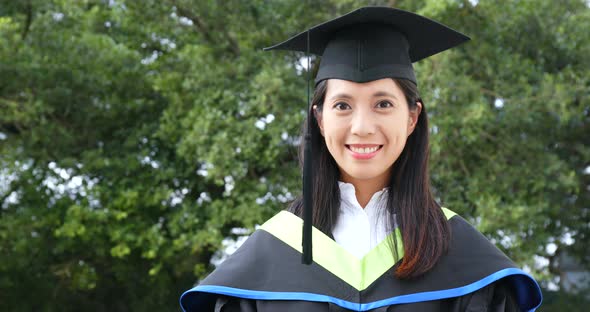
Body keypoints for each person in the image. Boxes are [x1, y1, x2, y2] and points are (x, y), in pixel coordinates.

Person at [179, 6, 542, 312]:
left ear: (412, 117)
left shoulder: (461, 256)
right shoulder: (270, 254)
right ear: (319, 120)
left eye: (383, 104)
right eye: (342, 105)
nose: (363, 127)